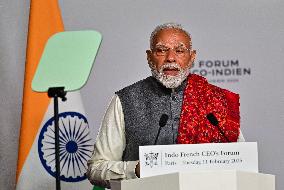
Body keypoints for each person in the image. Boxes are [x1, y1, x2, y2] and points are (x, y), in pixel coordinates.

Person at [87, 23, 244, 188]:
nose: (170, 58)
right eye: (161, 50)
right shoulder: (125, 100)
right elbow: (96, 168)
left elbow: (240, 160)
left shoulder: (216, 100)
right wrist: (136, 169)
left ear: (192, 57)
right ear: (149, 57)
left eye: (180, 50)